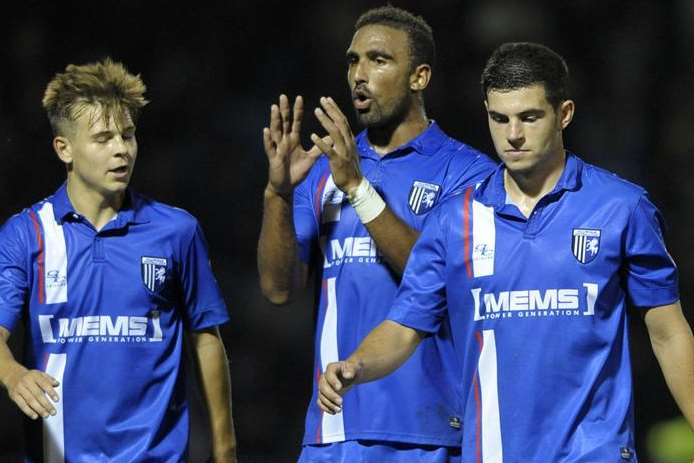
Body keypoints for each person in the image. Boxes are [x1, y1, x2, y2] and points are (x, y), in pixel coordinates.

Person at [319, 42, 694, 461]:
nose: (513, 134)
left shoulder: (621, 208)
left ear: (564, 114)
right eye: (500, 119)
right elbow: (405, 327)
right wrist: (355, 366)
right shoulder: (453, 220)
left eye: (529, 117)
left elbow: (668, 332)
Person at [258, 5, 495, 462]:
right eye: (353, 60)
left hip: (426, 432)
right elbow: (278, 288)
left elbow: (443, 284)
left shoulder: (468, 174)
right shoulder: (322, 171)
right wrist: (277, 194)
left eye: (379, 60)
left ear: (419, 77)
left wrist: (358, 189)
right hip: (333, 429)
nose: (359, 75)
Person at [0, 58, 237, 462]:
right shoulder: (26, 234)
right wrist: (13, 374)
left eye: (127, 135)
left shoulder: (176, 231)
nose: (121, 150)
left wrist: (226, 449)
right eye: (103, 138)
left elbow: (205, 338)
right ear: (65, 149)